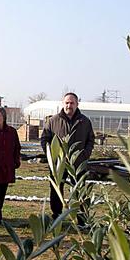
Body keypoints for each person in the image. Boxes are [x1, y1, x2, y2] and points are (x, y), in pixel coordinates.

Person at [40, 92, 95, 221]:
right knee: (56, 189)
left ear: (77, 104)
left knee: (79, 190)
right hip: (58, 163)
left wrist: (84, 155)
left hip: (78, 163)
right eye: (67, 103)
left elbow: (90, 140)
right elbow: (44, 139)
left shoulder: (84, 122)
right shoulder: (53, 121)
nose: (69, 105)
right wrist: (51, 156)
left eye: (72, 103)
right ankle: (57, 217)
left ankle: (81, 219)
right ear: (63, 103)